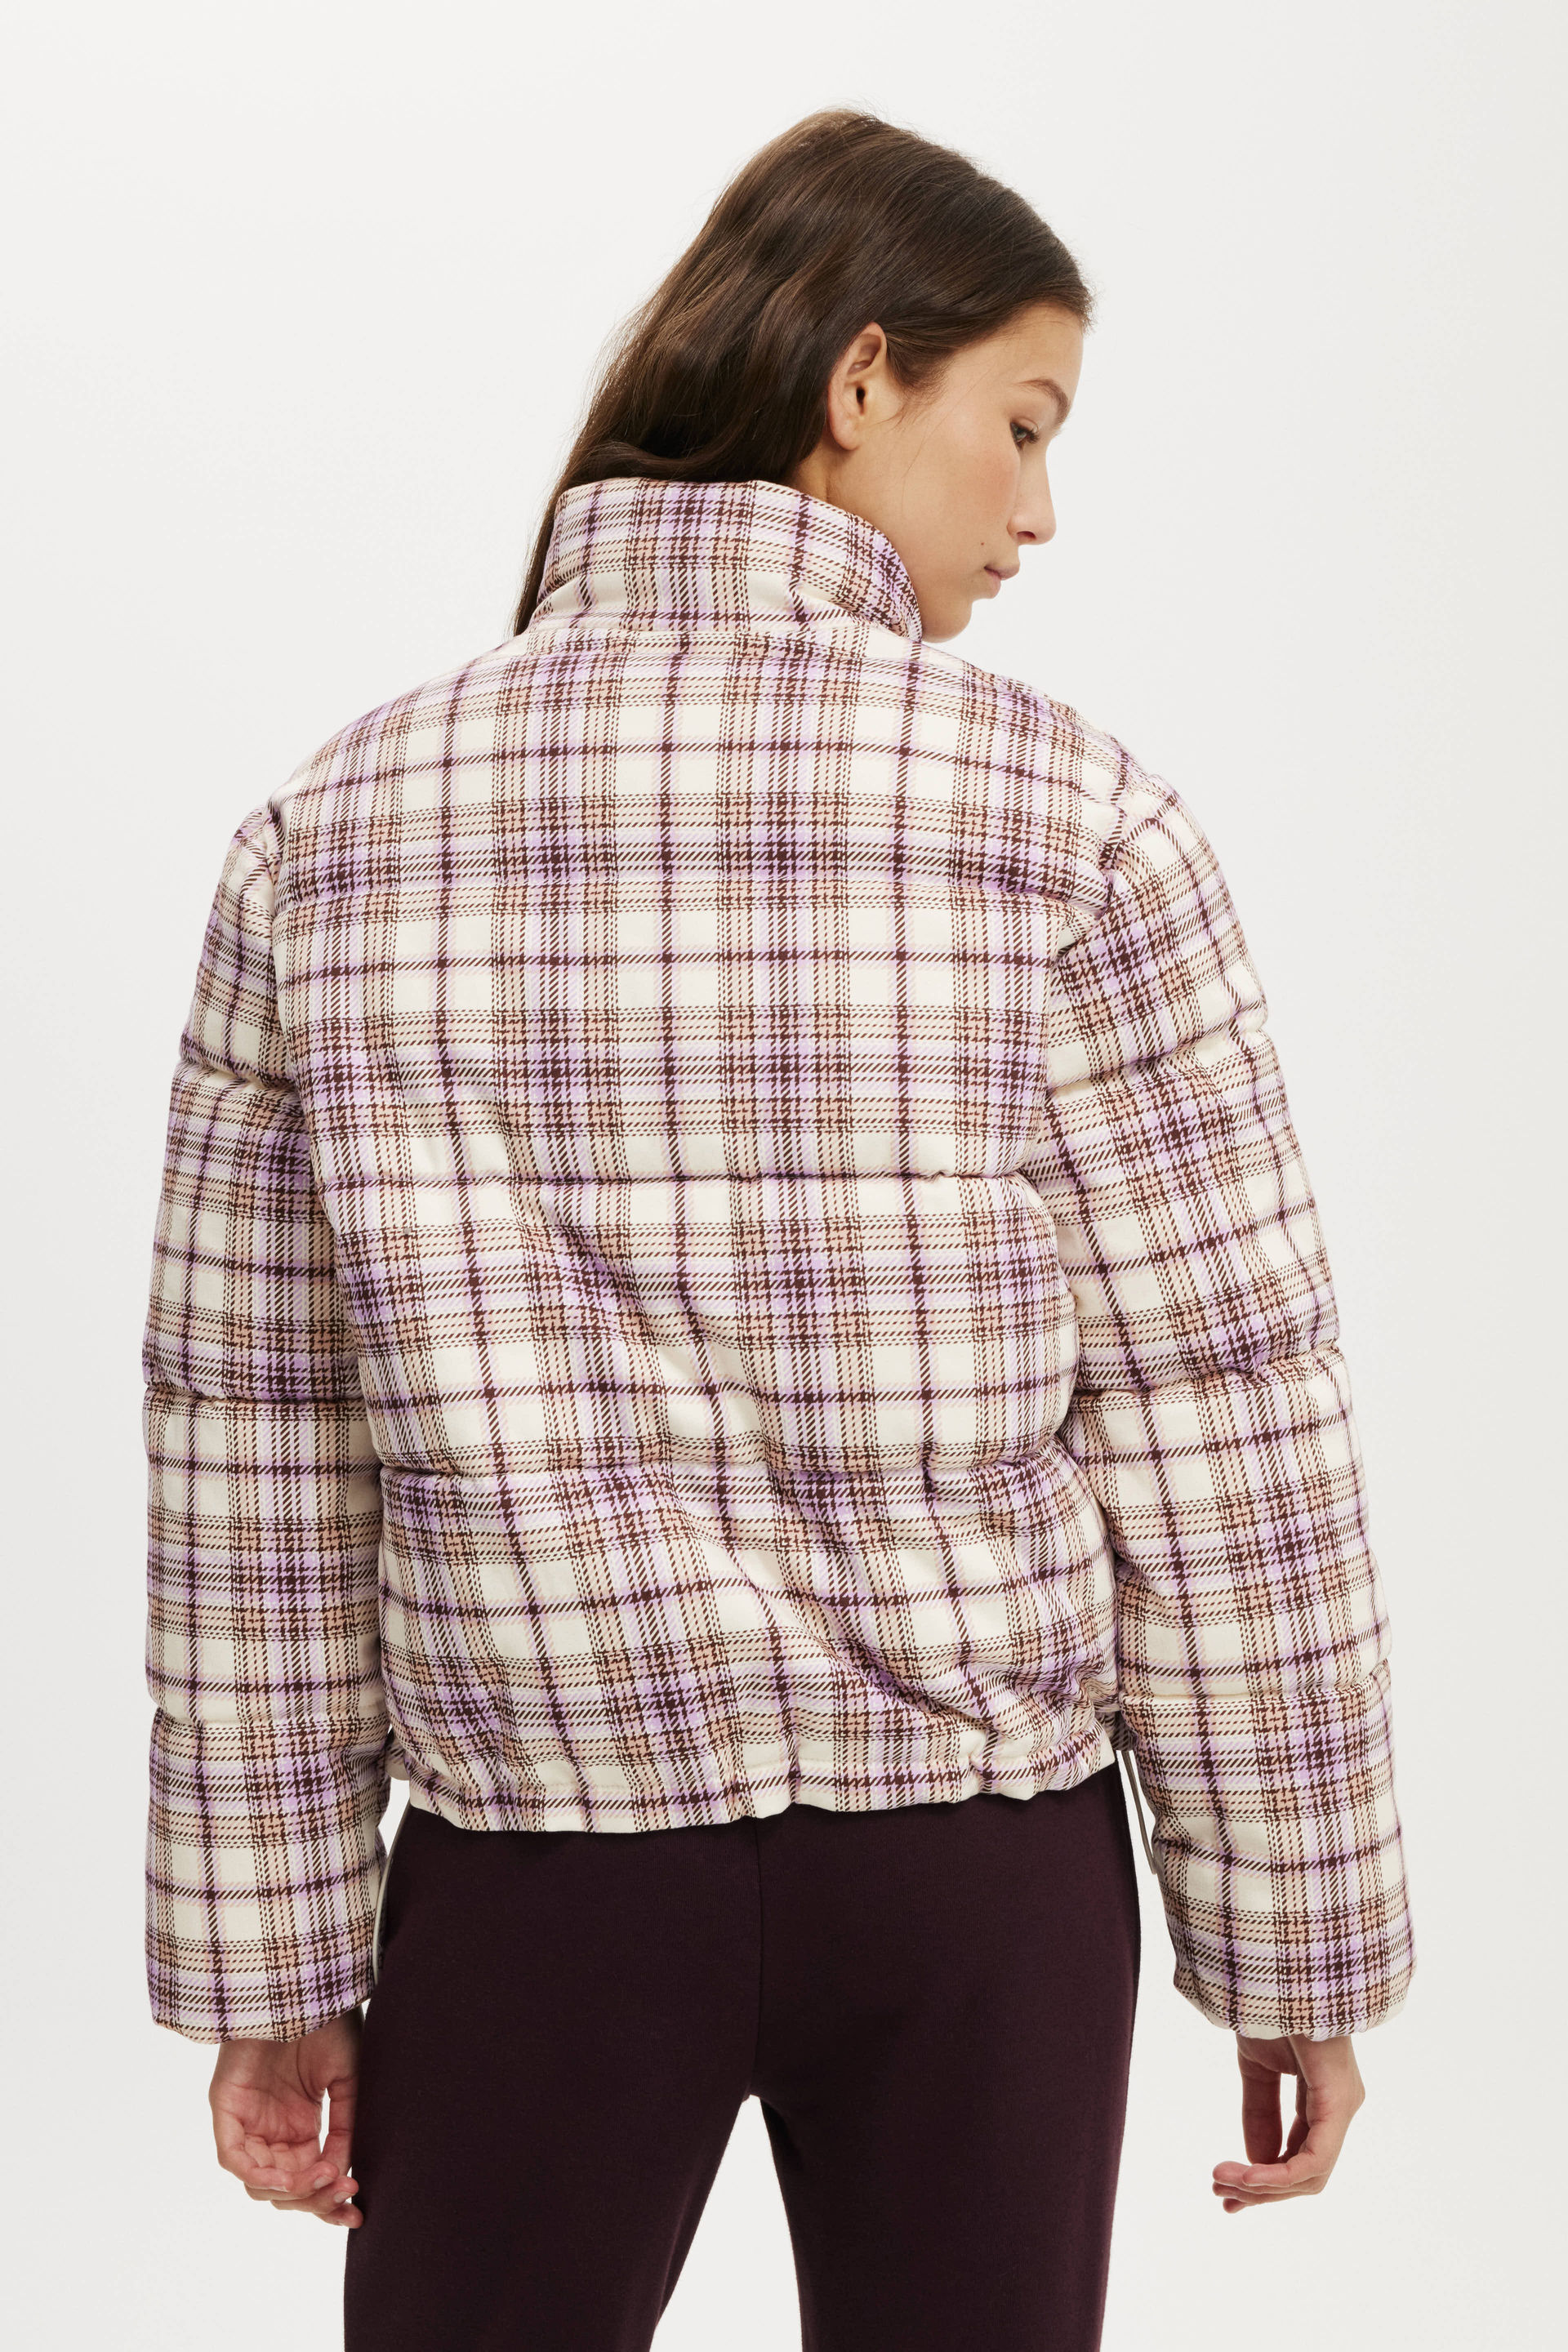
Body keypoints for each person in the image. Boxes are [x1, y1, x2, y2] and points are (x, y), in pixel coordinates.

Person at [139, 107, 1414, 2352]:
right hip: (977, 1883)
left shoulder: (332, 834)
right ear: (861, 379)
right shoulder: (1076, 821)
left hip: (538, 1878)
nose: (1040, 511)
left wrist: (275, 1959)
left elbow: (256, 1446)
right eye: (1024, 424)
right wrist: (1292, 1938)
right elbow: (1223, 1410)